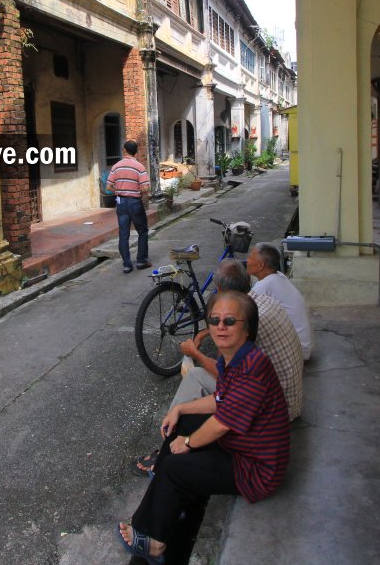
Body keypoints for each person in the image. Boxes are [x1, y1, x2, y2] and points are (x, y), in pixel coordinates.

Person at [118, 291, 290, 565]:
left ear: (246, 328)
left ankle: (156, 543)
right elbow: (220, 399)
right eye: (215, 319)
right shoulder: (233, 358)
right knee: (181, 424)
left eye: (230, 321)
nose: (221, 326)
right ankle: (158, 506)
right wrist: (179, 409)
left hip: (255, 468)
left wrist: (186, 443)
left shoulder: (252, 368)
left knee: (175, 464)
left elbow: (221, 424)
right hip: (241, 446)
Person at [132, 259, 303, 476]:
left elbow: (224, 375)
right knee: (196, 383)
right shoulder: (256, 302)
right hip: (285, 392)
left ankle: (168, 451)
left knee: (195, 378)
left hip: (275, 409)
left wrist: (195, 353)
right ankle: (173, 441)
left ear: (221, 290)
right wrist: (207, 332)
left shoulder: (245, 330)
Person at [247, 242, 313, 360]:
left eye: (250, 257)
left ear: (261, 265)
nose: (247, 261)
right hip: (304, 345)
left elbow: (242, 312)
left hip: (298, 350)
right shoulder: (279, 276)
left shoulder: (264, 285)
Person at [105, 139, 151, 273]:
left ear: (124, 150)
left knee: (123, 234)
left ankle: (127, 264)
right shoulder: (139, 167)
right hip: (135, 202)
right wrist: (136, 190)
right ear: (136, 151)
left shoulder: (116, 166)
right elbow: (146, 188)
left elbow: (108, 186)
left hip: (121, 203)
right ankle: (141, 261)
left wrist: (118, 191)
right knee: (142, 231)